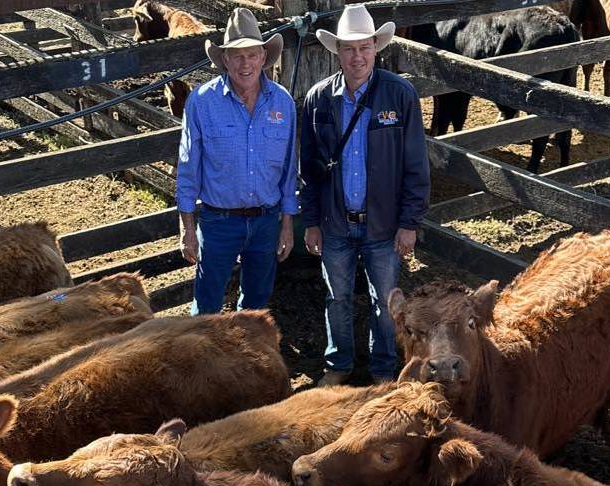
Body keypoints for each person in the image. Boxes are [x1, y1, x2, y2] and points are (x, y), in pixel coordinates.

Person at [299, 4, 430, 386]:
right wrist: (311, 221)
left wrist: (409, 223)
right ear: (337, 51)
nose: (357, 57)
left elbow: (416, 165)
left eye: (364, 48)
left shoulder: (399, 95)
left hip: (384, 223)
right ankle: (338, 364)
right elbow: (308, 168)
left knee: (386, 301)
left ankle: (383, 370)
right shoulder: (319, 99)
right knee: (336, 297)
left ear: (376, 46)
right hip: (336, 221)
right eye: (349, 49)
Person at [175, 8, 297, 315]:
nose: (245, 64)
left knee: (256, 304)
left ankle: (243, 360)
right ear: (225, 60)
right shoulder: (202, 101)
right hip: (218, 222)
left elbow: (288, 171)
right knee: (207, 306)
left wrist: (286, 225)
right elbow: (188, 168)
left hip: (266, 220)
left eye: (252, 55)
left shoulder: (283, 102)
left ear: (263, 57)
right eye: (237, 56)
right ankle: (201, 362)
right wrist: (187, 228)